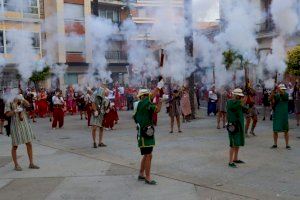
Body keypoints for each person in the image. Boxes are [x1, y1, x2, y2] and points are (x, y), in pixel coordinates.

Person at [133, 87, 162, 185]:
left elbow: (157, 110)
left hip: (146, 132)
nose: (147, 97)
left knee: (147, 155)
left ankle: (141, 173)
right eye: (146, 95)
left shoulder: (144, 104)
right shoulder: (141, 103)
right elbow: (153, 97)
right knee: (148, 155)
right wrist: (159, 86)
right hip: (144, 133)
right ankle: (148, 177)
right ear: (144, 96)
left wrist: (160, 101)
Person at [5, 91, 39, 171]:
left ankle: (31, 163)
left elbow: (28, 105)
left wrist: (23, 99)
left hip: (24, 123)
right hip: (15, 125)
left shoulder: (20, 98)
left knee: (29, 143)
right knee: (15, 145)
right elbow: (7, 114)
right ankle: (16, 165)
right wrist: (15, 111)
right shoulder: (9, 101)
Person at [226, 88, 246, 168]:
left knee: (237, 143)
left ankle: (235, 158)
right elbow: (240, 102)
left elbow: (242, 106)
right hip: (233, 126)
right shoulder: (230, 102)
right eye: (238, 95)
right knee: (233, 144)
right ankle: (230, 162)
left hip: (239, 125)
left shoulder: (238, 103)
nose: (240, 97)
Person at [270, 84, 290, 149]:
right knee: (275, 130)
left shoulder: (286, 95)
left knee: (286, 131)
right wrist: (273, 92)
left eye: (283, 89)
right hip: (277, 114)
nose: (283, 90)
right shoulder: (277, 95)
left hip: (284, 115)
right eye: (282, 89)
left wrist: (277, 87)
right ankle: (275, 144)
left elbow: (282, 93)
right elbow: (270, 98)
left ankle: (287, 145)